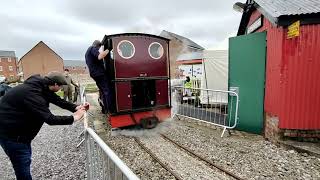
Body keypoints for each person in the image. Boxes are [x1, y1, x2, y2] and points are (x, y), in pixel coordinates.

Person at [0, 71, 89, 180]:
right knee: (22, 164)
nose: (61, 89)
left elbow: (58, 101)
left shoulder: (42, 87)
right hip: (12, 136)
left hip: (19, 134)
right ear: (55, 84)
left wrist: (77, 108)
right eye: (60, 86)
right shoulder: (33, 94)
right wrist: (74, 118)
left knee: (24, 160)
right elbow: (50, 119)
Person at [85, 40, 111, 113]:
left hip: (94, 74)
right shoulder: (92, 48)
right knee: (107, 90)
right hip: (99, 73)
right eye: (99, 48)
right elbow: (100, 56)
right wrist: (108, 50)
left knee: (103, 91)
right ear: (98, 46)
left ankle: (106, 108)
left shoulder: (87, 52)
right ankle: (109, 108)